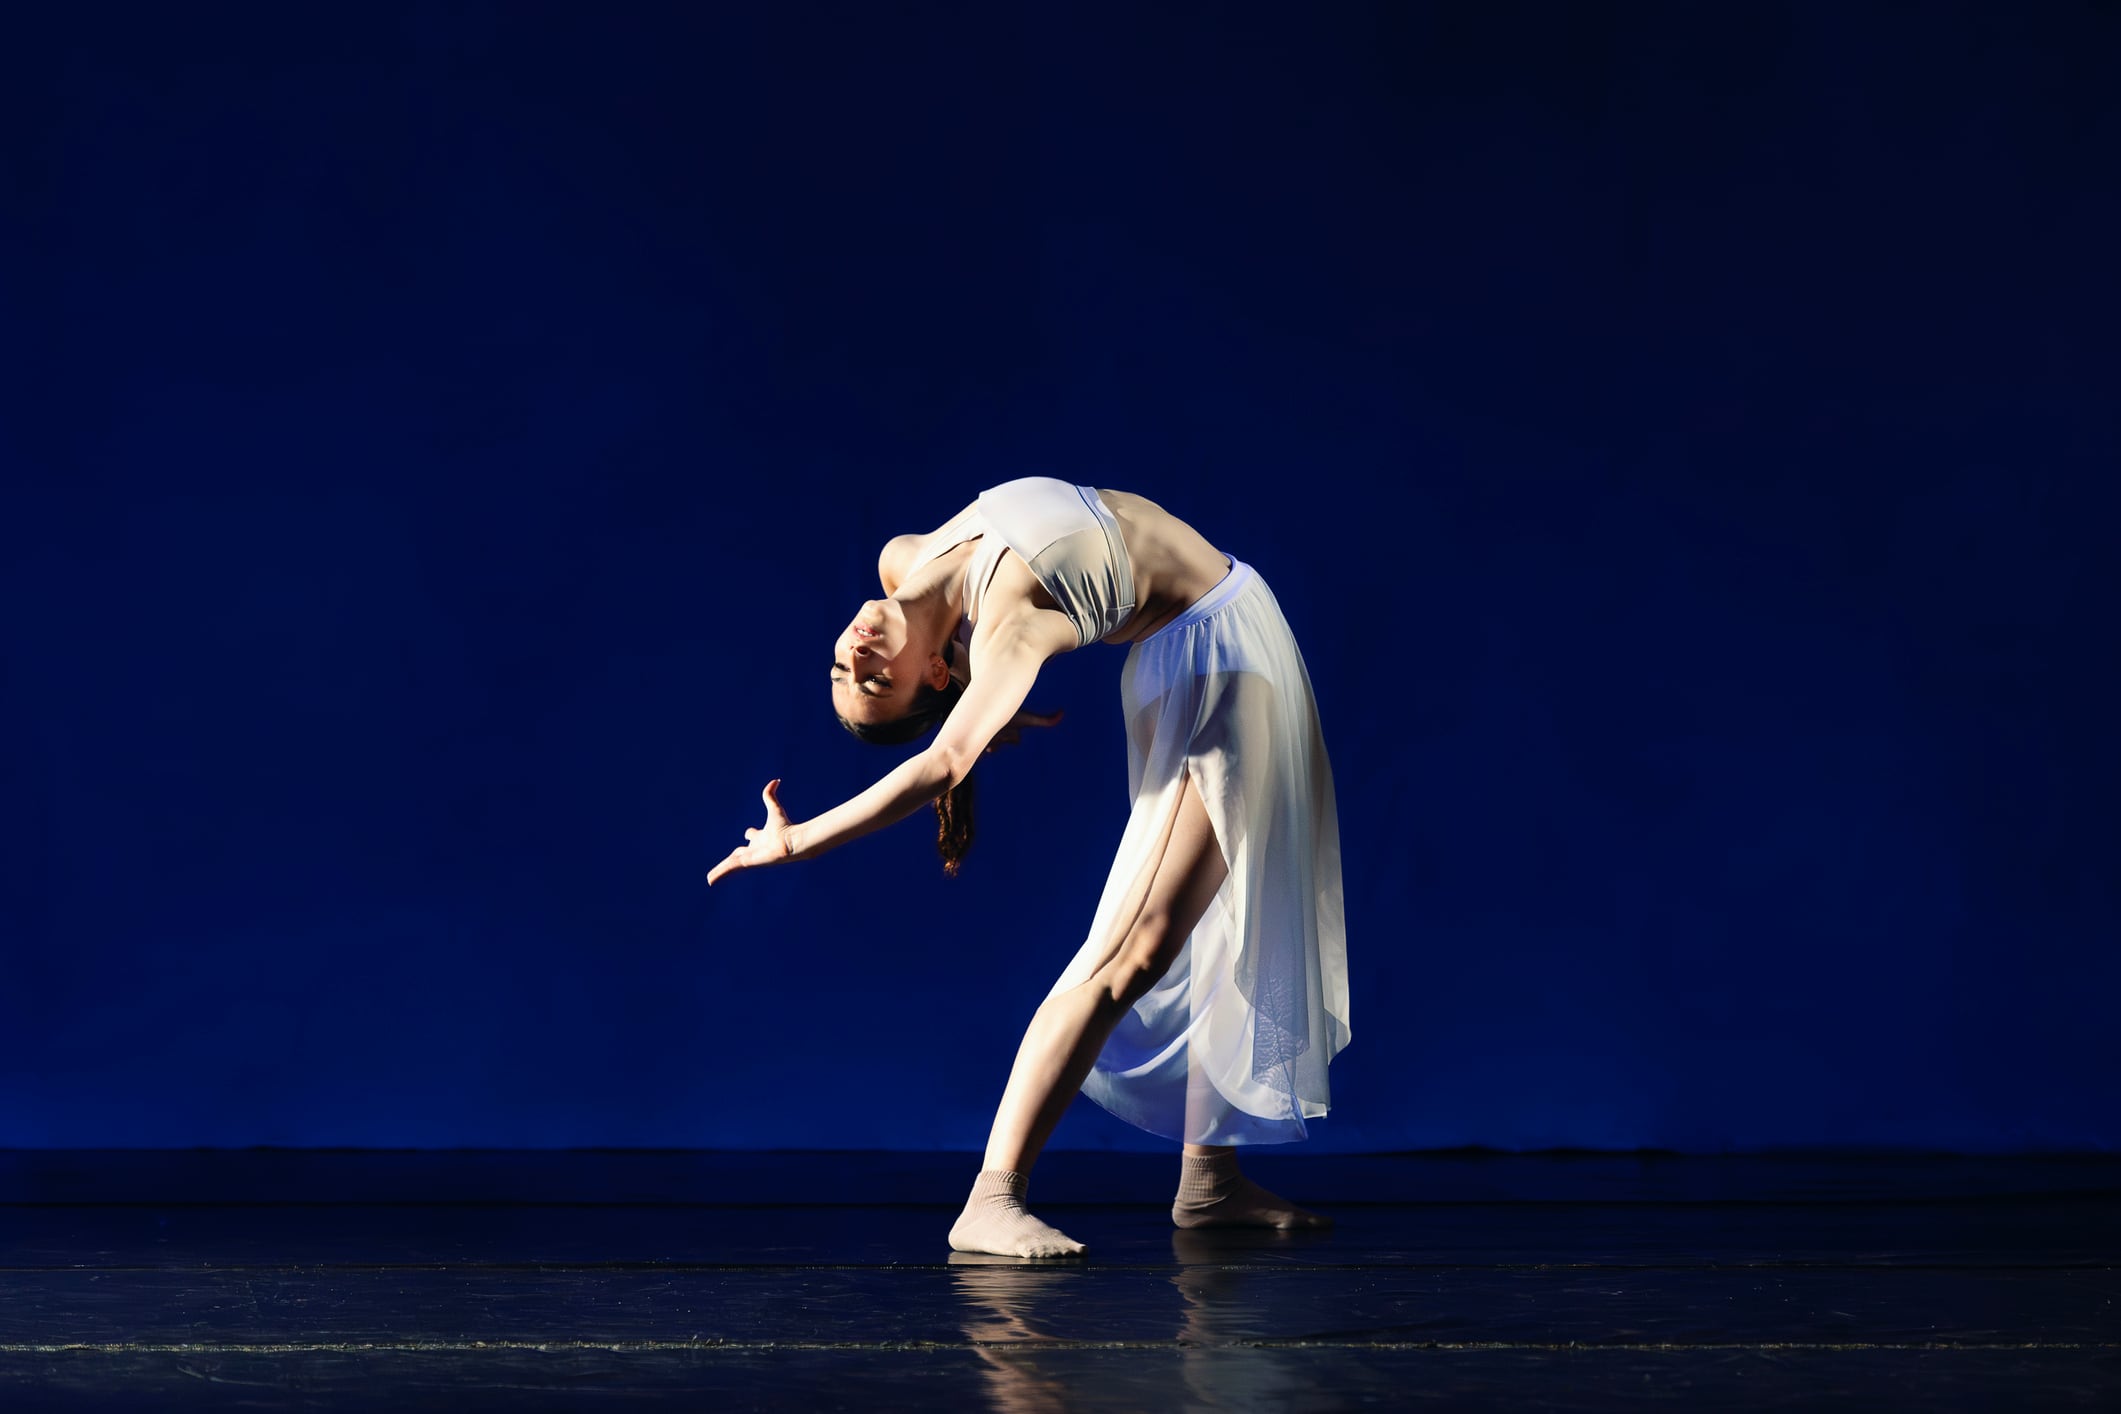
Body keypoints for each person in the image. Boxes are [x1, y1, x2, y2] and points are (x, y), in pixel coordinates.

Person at [708, 478, 1350, 1257]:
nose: (854, 655)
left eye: (846, 673)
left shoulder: (901, 562)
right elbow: (944, 762)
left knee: (1212, 913)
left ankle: (1208, 1179)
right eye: (876, 679)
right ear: (936, 676)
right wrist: (798, 839)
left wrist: (984, 707)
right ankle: (991, 1198)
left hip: (1211, 638)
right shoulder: (1006, 630)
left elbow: (952, 712)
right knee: (1138, 945)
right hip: (1215, 662)